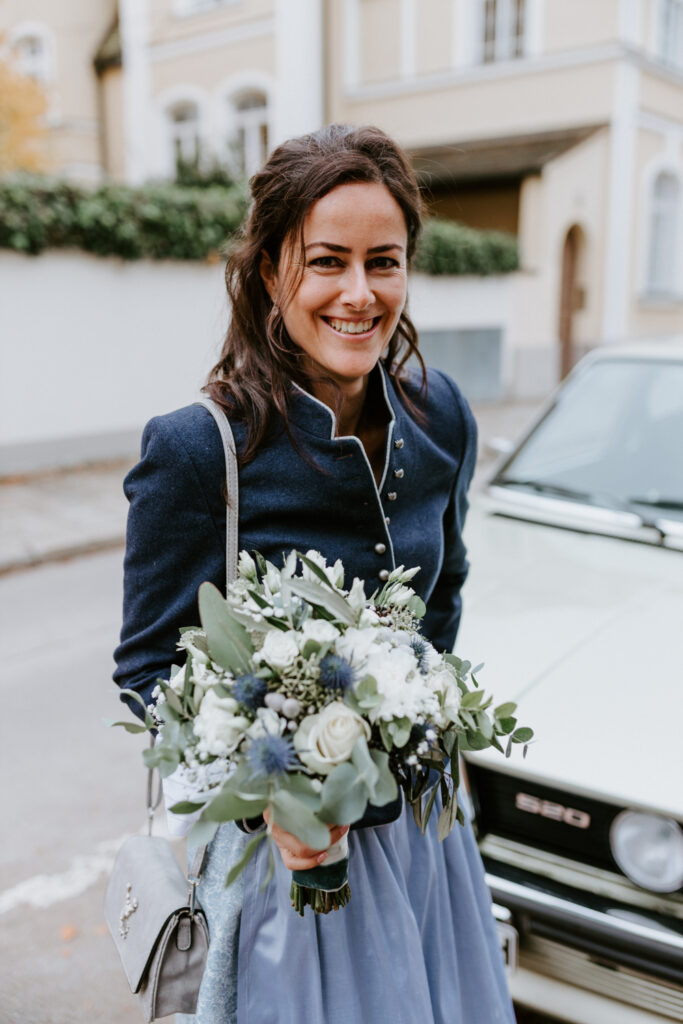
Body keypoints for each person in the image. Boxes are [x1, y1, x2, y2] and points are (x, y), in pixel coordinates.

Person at [114, 123, 515, 1024]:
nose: (359, 293)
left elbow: (438, 610)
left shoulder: (442, 414)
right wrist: (274, 799)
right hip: (284, 861)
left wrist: (407, 720)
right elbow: (148, 677)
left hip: (424, 839)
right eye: (326, 261)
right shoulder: (196, 448)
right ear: (269, 274)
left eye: (385, 261)